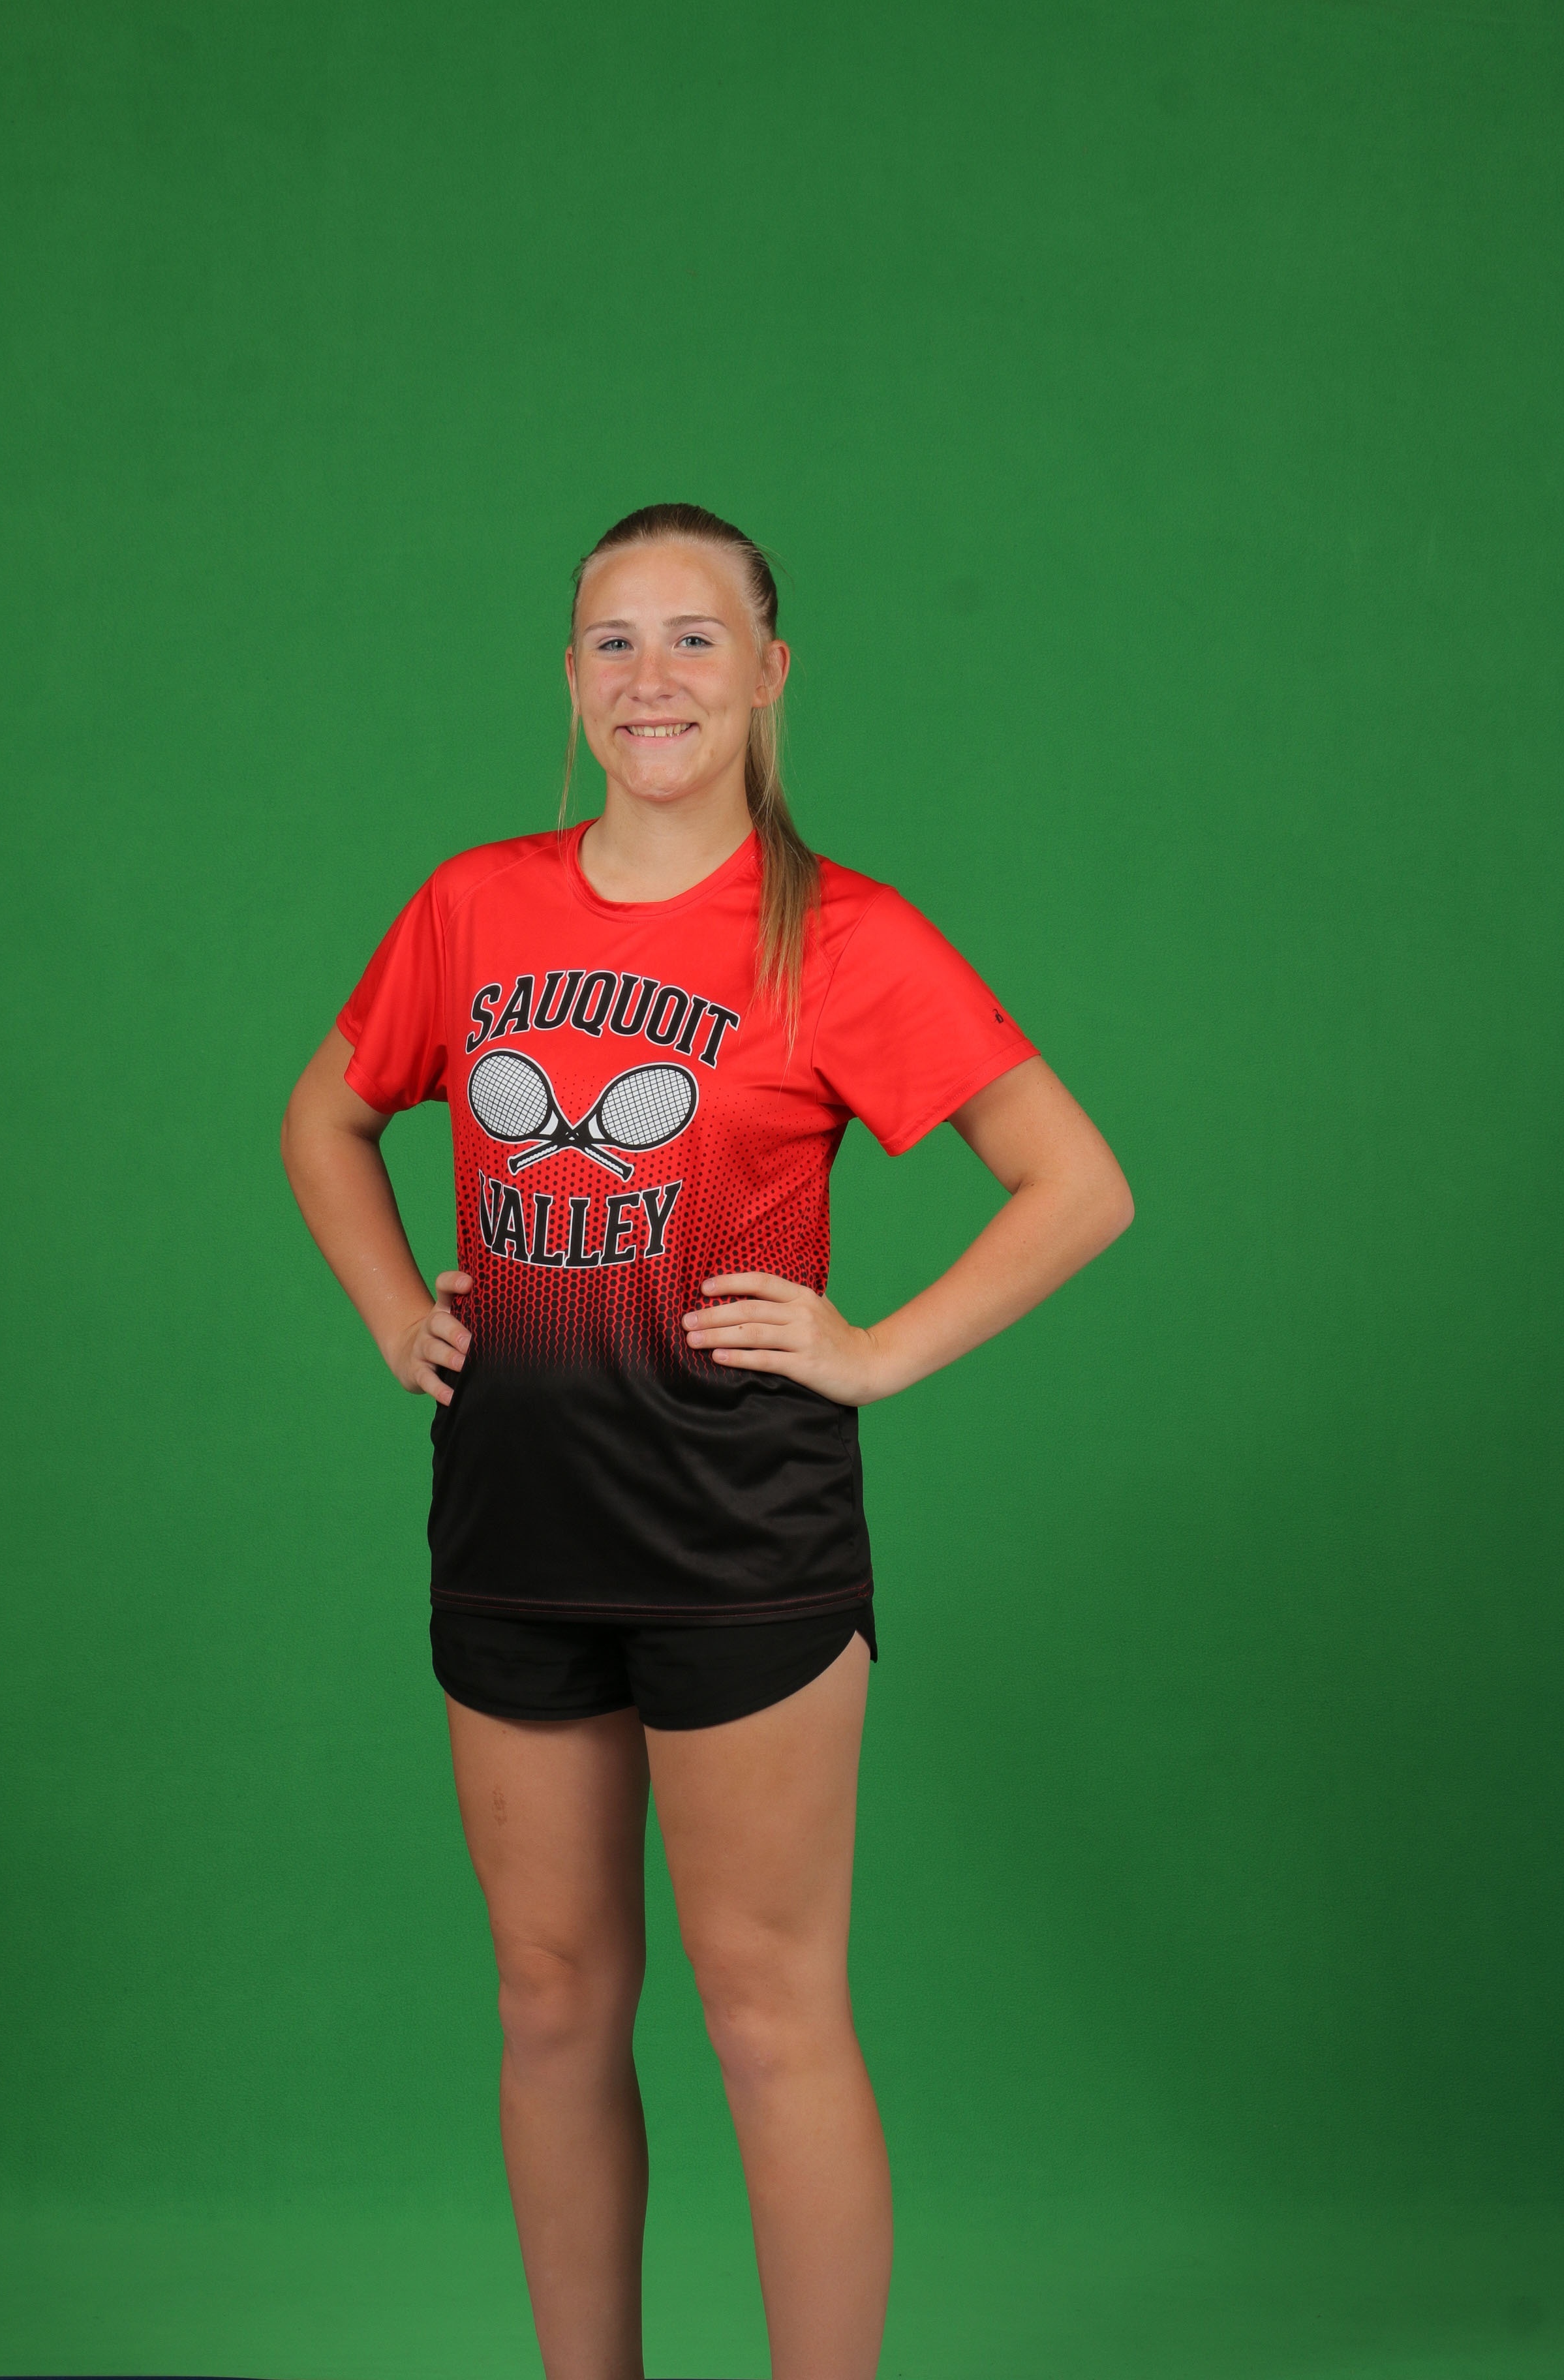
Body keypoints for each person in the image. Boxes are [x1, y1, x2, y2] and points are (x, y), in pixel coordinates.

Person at [281, 502, 1133, 2380]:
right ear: (571, 680)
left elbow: (1080, 1186)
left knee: (766, 2012)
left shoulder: (846, 937)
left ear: (767, 672)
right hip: (511, 1530)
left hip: (743, 1543)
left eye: (694, 638)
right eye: (613, 640)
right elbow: (323, 1120)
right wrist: (393, 1310)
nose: (650, 677)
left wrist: (877, 1350)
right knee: (548, 1999)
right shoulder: (470, 905)